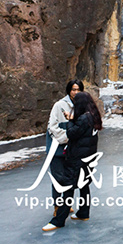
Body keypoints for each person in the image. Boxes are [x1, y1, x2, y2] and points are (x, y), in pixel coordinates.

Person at [43, 91, 102, 231]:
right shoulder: (93, 117)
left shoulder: (83, 119)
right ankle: (83, 212)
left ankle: (58, 220)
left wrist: (70, 119)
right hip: (88, 159)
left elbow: (71, 133)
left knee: (68, 188)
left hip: (77, 159)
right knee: (84, 185)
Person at [43, 79, 80, 228]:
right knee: (58, 178)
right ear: (68, 90)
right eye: (73, 89)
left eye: (78, 90)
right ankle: (57, 206)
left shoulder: (79, 106)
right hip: (56, 148)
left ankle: (65, 205)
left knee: (68, 178)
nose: (76, 92)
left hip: (70, 149)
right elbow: (52, 126)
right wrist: (67, 137)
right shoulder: (59, 105)